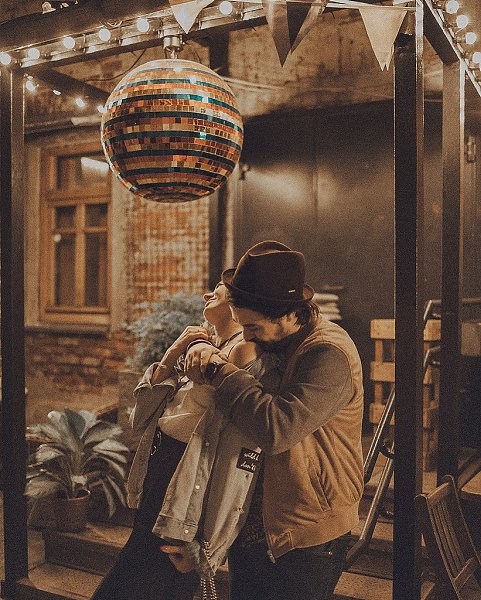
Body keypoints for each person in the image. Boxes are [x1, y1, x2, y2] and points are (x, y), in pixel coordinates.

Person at [175, 240, 364, 600]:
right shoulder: (276, 339)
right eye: (242, 326)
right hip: (257, 520)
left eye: (254, 328)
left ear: (290, 315)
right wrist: (202, 346)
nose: (246, 336)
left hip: (307, 531)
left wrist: (221, 371)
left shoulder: (328, 355)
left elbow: (277, 429)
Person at [91, 282, 277, 600]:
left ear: (238, 302)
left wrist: (210, 542)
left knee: (143, 577)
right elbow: (141, 418)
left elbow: (234, 454)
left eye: (217, 290)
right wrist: (176, 349)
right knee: (157, 579)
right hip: (160, 465)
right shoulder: (200, 343)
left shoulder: (242, 350)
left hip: (186, 477)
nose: (206, 295)